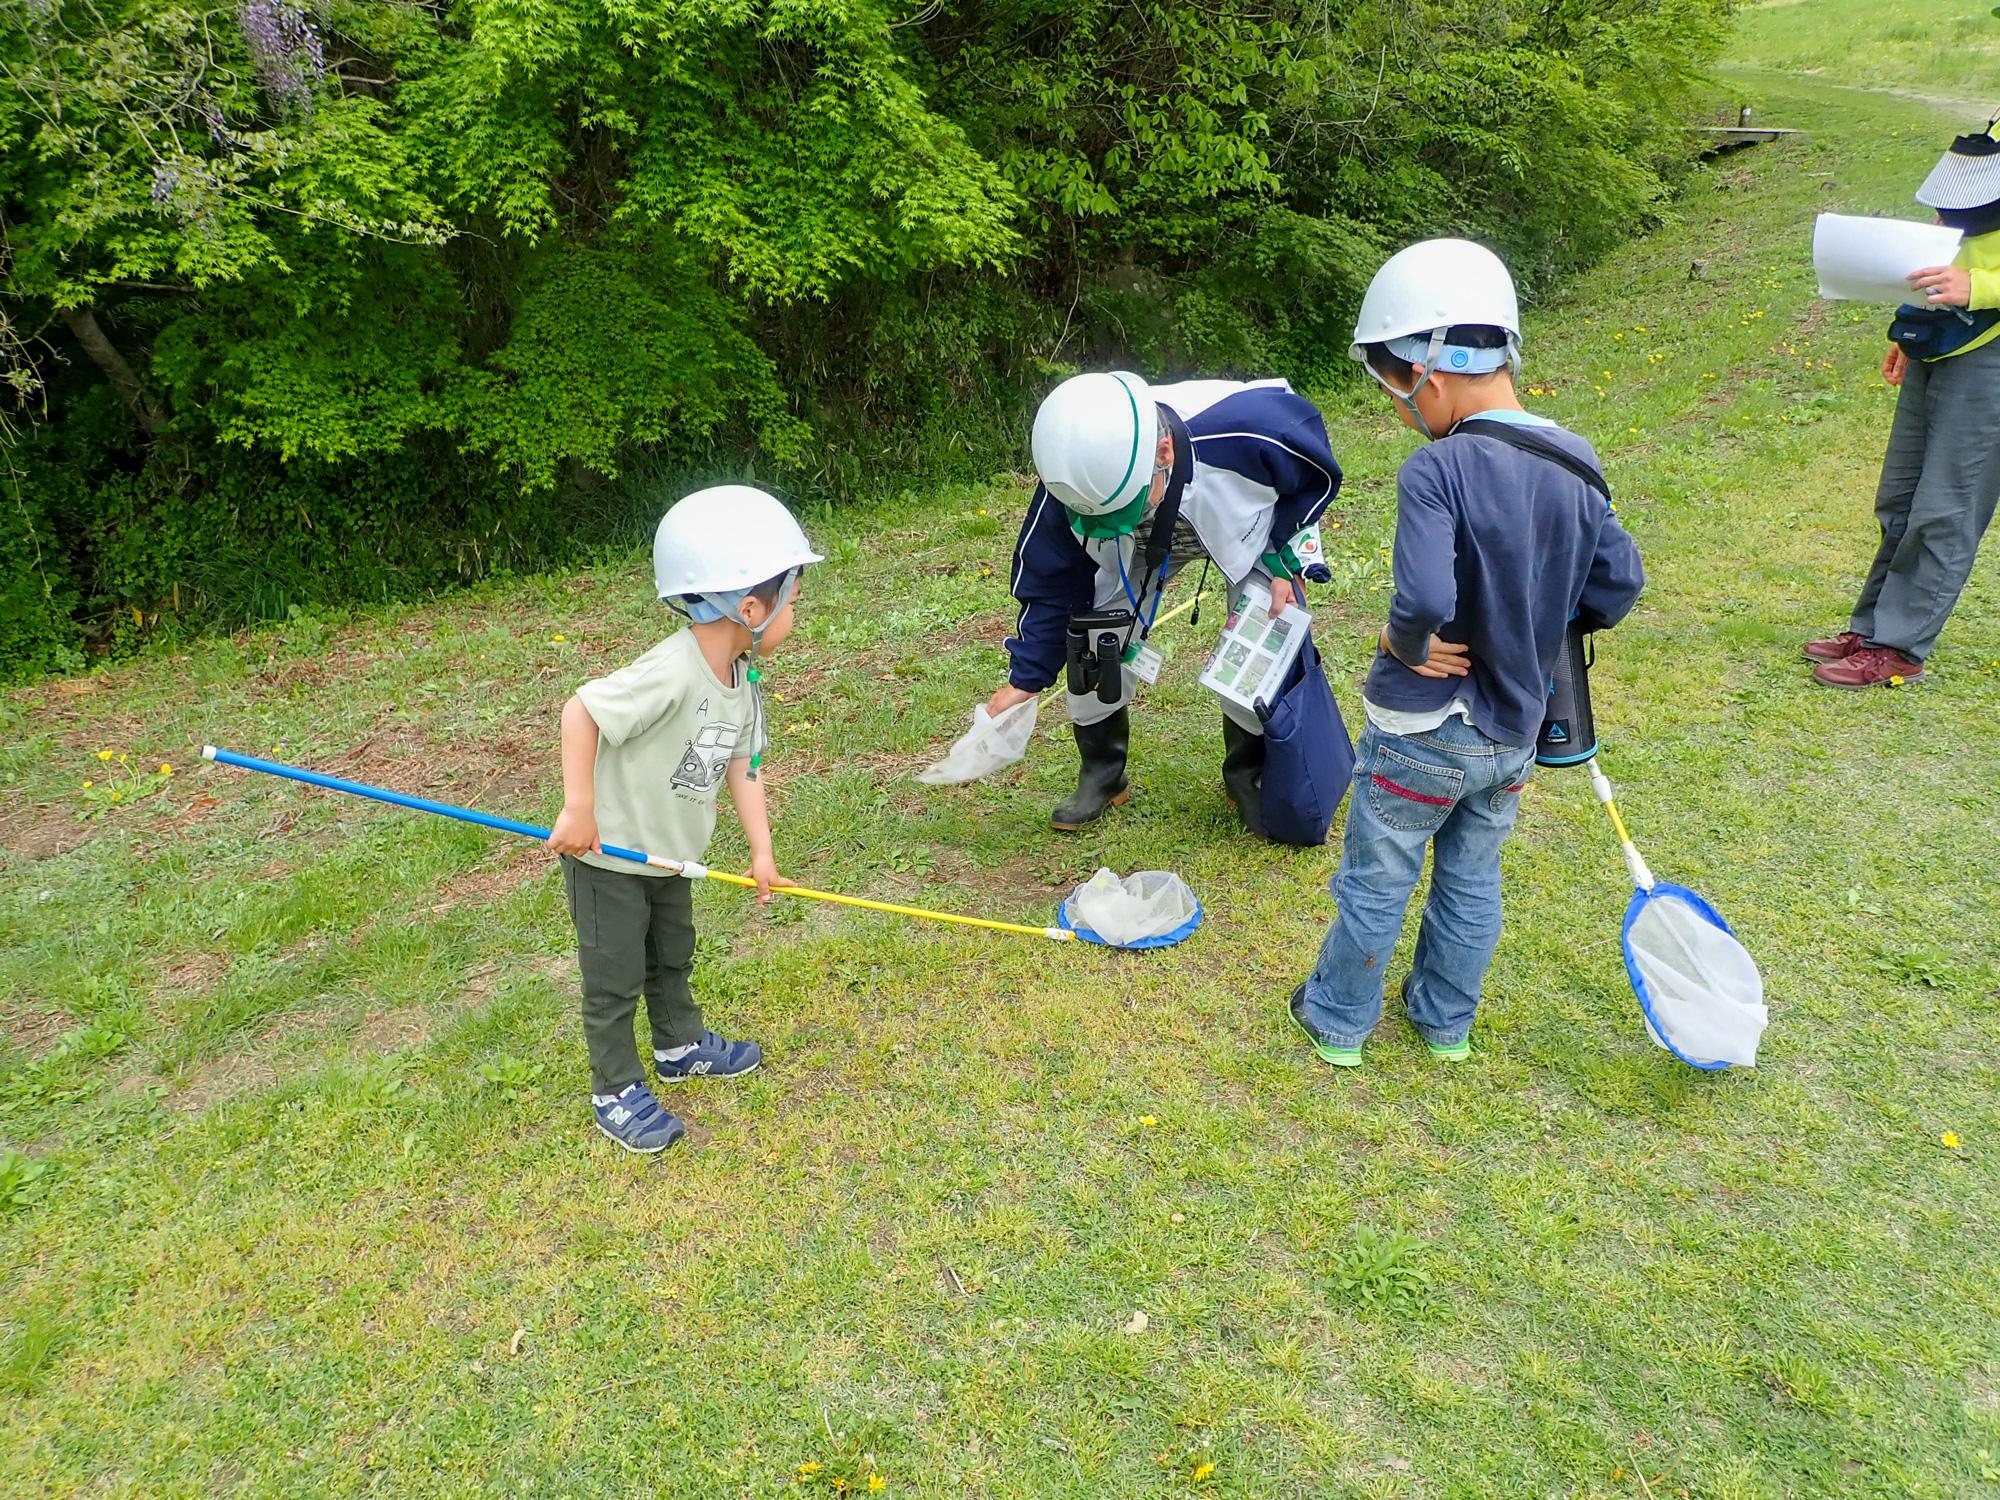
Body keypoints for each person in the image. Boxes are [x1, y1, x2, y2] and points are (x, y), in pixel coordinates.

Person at [1289, 239, 1644, 1066]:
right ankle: (1445, 1025)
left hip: (1424, 729)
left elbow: (1422, 599)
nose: (1398, 411)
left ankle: (1339, 1020)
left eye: (1394, 393)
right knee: (1472, 876)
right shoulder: (1578, 460)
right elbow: (1619, 583)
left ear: (1431, 377)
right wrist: (1537, 620)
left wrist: (1403, 641)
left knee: (1379, 876)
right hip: (1514, 731)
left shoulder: (1437, 469)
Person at [546, 485, 820, 1153]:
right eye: (794, 600)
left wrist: (762, 851)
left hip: (670, 857)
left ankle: (679, 1046)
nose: (797, 614)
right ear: (750, 606)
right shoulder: (673, 671)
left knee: (671, 956)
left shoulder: (741, 679)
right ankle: (613, 1088)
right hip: (609, 857)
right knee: (613, 979)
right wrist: (579, 809)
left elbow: (743, 766)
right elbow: (581, 712)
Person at [985, 371, 1342, 833]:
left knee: (1265, 629)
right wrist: (1027, 677)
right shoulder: (1072, 481)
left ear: (1164, 453)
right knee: (1093, 634)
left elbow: (1314, 474)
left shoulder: (1253, 429)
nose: (1109, 521)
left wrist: (1287, 550)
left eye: (1121, 509)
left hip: (1244, 524)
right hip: (1141, 543)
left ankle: (1248, 773)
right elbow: (1049, 583)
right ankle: (1103, 772)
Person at [1806, 123, 2000, 688]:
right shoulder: (1989, 127)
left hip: (1990, 353)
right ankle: (1871, 629)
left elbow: (1973, 272)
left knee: (1948, 504)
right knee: (1902, 495)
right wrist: (1913, 330)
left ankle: (1900, 646)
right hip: (1946, 335)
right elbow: (1955, 240)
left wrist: (1981, 288)